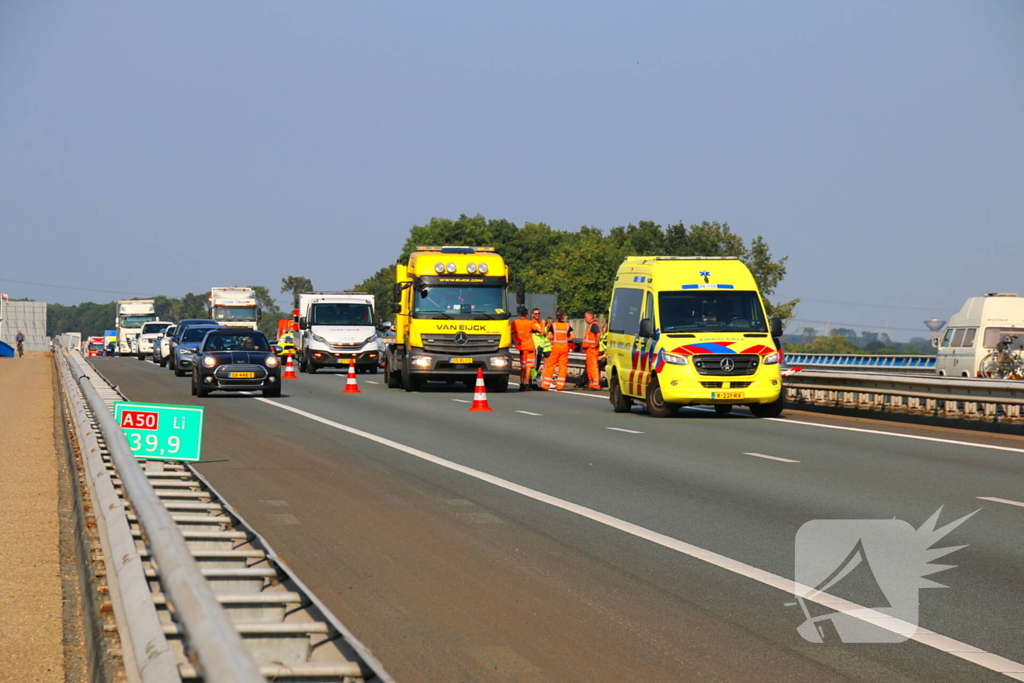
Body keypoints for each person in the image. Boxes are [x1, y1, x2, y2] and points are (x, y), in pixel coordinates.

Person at [541, 311, 575, 391]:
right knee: (562, 367)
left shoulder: (553, 325)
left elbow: (549, 336)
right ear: (563, 317)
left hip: (556, 347)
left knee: (551, 366)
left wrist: (554, 339)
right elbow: (573, 336)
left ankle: (545, 385)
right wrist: (565, 340)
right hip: (564, 348)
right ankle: (560, 386)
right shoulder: (567, 325)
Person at [510, 306, 541, 390]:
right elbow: (540, 330)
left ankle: (522, 384)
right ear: (527, 314)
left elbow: (508, 329)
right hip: (530, 347)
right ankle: (527, 384)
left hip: (521, 347)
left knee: (523, 367)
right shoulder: (530, 323)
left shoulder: (515, 322)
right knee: (529, 367)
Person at [580, 312, 602, 390]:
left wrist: (595, 344)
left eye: (586, 317)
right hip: (589, 349)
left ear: (591, 317)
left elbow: (598, 334)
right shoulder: (591, 326)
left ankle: (595, 384)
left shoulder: (594, 325)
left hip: (593, 349)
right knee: (590, 367)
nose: (585, 319)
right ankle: (592, 383)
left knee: (593, 367)